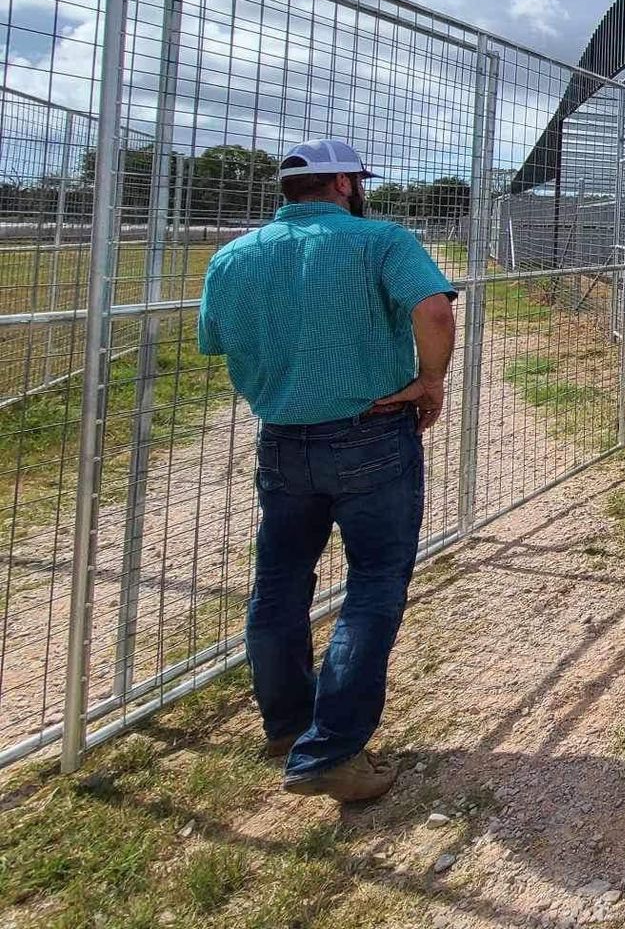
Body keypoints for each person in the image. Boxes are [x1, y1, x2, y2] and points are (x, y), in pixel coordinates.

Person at [197, 139, 457, 803]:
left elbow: (217, 339)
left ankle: (287, 725)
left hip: (283, 440)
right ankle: (332, 749)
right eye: (357, 180)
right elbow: (433, 308)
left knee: (280, 584)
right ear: (342, 183)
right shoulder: (380, 241)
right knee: (373, 585)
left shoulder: (232, 256)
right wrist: (430, 380)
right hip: (371, 431)